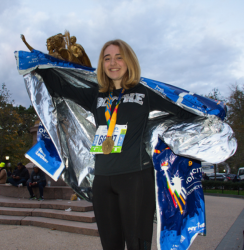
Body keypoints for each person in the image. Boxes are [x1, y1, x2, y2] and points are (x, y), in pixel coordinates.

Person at [35, 39, 196, 250]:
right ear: (102, 64)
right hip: (102, 181)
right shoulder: (96, 94)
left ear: (129, 61)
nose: (113, 63)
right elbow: (59, 87)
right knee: (110, 246)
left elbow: (185, 110)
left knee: (137, 245)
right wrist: (40, 62)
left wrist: (209, 110)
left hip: (136, 179)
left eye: (119, 57)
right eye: (107, 58)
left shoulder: (145, 92)